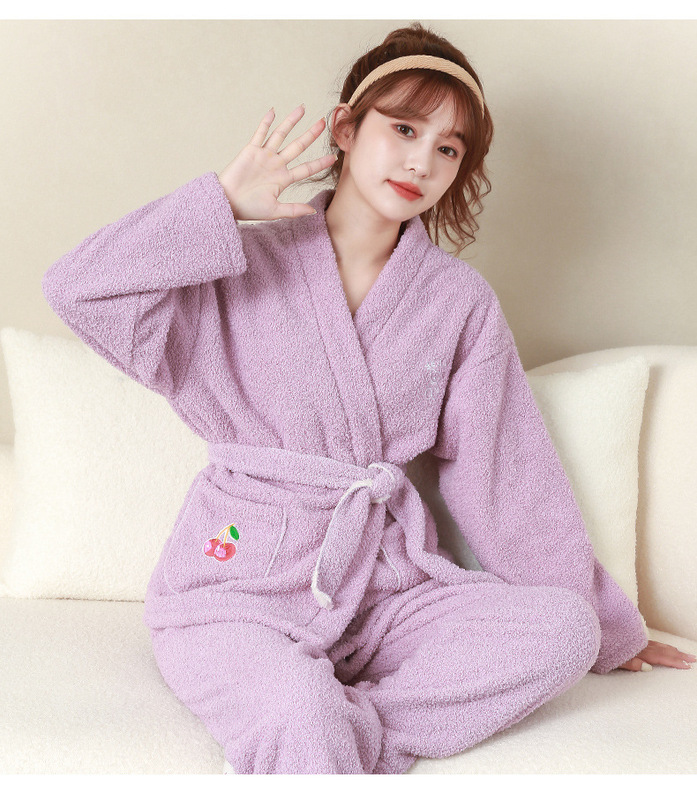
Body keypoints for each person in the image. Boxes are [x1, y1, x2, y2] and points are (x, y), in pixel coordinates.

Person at [41, 22, 694, 775]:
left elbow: (506, 478)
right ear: (347, 129)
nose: (421, 161)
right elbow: (77, 289)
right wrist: (218, 204)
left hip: (383, 593)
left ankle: (341, 725)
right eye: (404, 129)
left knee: (564, 631)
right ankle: (311, 717)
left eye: (448, 149)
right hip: (238, 587)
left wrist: (610, 627)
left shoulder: (457, 302)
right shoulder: (234, 262)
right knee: (296, 707)